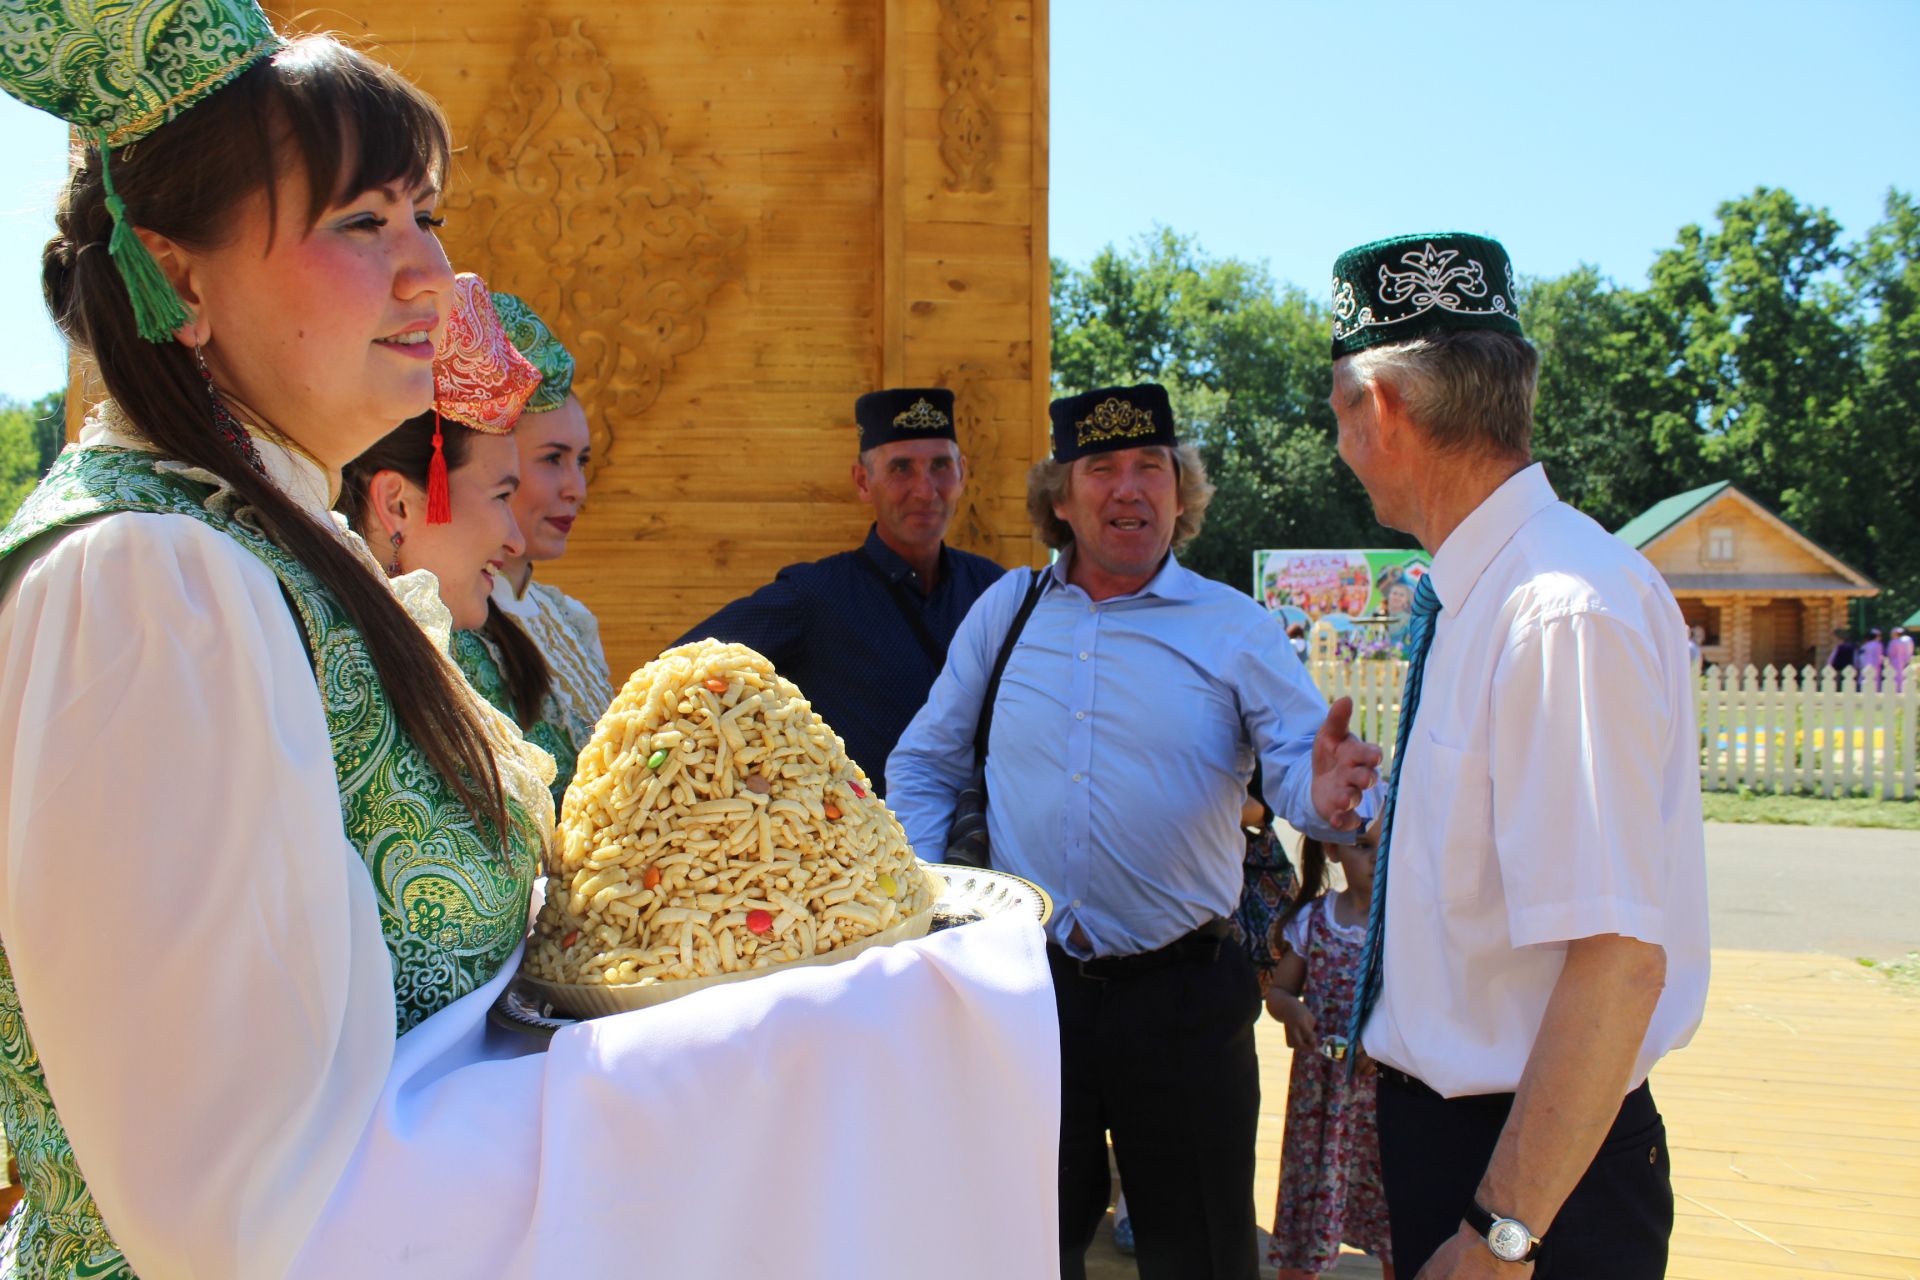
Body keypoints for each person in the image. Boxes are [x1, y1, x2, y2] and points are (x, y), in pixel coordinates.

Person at [0, 10, 1058, 1277]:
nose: (429, 275)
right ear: (180, 276)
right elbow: (244, 1210)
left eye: (425, 214)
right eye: (362, 222)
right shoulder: (146, 583)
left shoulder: (274, 552)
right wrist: (757, 1064)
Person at [889, 381, 1383, 1280]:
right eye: (1101, 468)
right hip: (1031, 994)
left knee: (1200, 1252)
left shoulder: (1234, 627)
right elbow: (926, 762)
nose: (1129, 489)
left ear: (1181, 492)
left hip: (1185, 998)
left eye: (1151, 467)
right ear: (1062, 498)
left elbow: (1298, 769)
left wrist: (1325, 796)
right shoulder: (1006, 614)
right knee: (1022, 1246)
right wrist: (932, 898)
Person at [1327, 232, 1709, 1278]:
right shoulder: (1487, 593)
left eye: (1339, 417)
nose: (1342, 447)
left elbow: (1619, 960)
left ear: (1381, 409)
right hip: (1490, 1152)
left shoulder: (1554, 613)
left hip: (1534, 1184)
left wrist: (1503, 1230)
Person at [676, 387, 1003, 795]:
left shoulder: (995, 592)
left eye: (940, 466)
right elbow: (680, 669)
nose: (924, 490)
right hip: (865, 848)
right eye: (901, 469)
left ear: (962, 473)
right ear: (863, 482)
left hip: (978, 846)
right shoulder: (815, 597)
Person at [482, 290, 617, 801]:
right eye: (551, 459)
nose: (575, 489)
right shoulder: (440, 610)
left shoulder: (571, 620)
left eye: (580, 461)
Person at [1265, 828, 1393, 1279]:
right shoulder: (1314, 921)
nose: (1378, 857)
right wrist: (1293, 1011)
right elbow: (1279, 991)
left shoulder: (1402, 927)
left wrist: (1382, 1040)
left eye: (1388, 842)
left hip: (1380, 1101)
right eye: (1363, 846)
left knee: (1394, 1210)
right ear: (1333, 849)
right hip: (1318, 1100)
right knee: (1308, 1203)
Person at [1857, 627, 1885, 692]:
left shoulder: (1866, 645)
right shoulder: (1878, 645)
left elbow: (1861, 656)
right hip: (1875, 664)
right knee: (1875, 681)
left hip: (1866, 664)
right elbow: (1879, 656)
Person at [1890, 625, 1913, 692]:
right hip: (1903, 661)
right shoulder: (1905, 641)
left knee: (1896, 676)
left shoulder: (1893, 642)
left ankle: (1897, 690)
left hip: (1895, 662)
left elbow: (1891, 653)